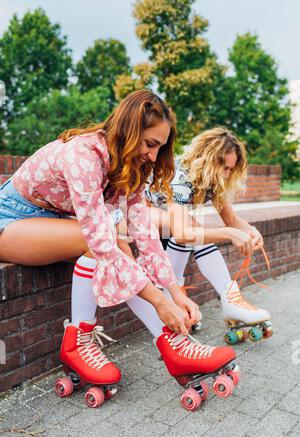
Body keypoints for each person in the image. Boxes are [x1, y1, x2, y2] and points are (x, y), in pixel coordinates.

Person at [0, 92, 236, 402]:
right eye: (150, 144)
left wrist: (175, 293)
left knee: (120, 242)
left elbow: (147, 239)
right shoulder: (83, 155)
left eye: (160, 148)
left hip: (54, 223)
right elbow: (99, 241)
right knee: (102, 241)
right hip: (12, 221)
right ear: (129, 130)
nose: (153, 156)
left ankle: (175, 345)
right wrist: (161, 302)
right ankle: (77, 345)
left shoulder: (127, 166)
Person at [143, 127, 272, 343]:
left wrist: (250, 231)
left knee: (192, 229)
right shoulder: (181, 176)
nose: (227, 174)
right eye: (225, 168)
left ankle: (229, 299)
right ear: (209, 159)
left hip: (162, 218)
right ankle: (224, 299)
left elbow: (231, 220)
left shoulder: (212, 180)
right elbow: (183, 233)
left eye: (231, 169)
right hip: (135, 210)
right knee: (189, 227)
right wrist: (229, 233)